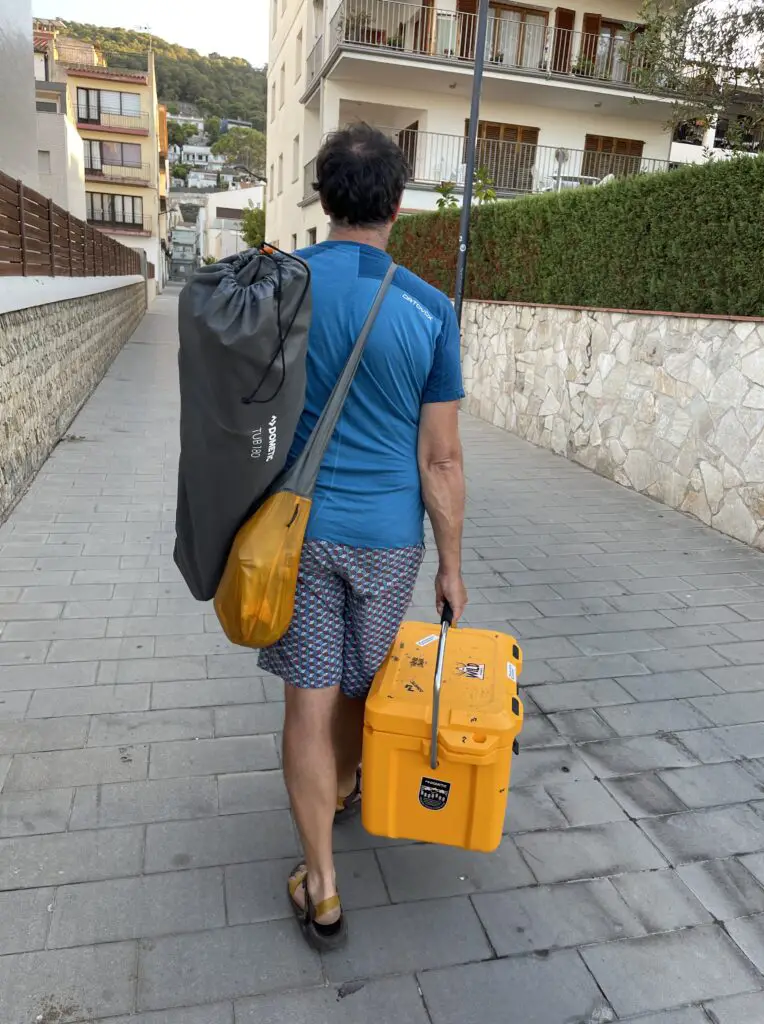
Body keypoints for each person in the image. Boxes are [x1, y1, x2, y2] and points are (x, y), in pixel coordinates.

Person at [259, 123, 467, 950]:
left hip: (298, 535)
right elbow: (441, 459)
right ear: (400, 203)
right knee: (358, 685)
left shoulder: (276, 289)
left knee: (307, 702)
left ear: (321, 196)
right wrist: (452, 567)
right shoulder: (429, 308)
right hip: (389, 540)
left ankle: (324, 885)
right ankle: (344, 786)